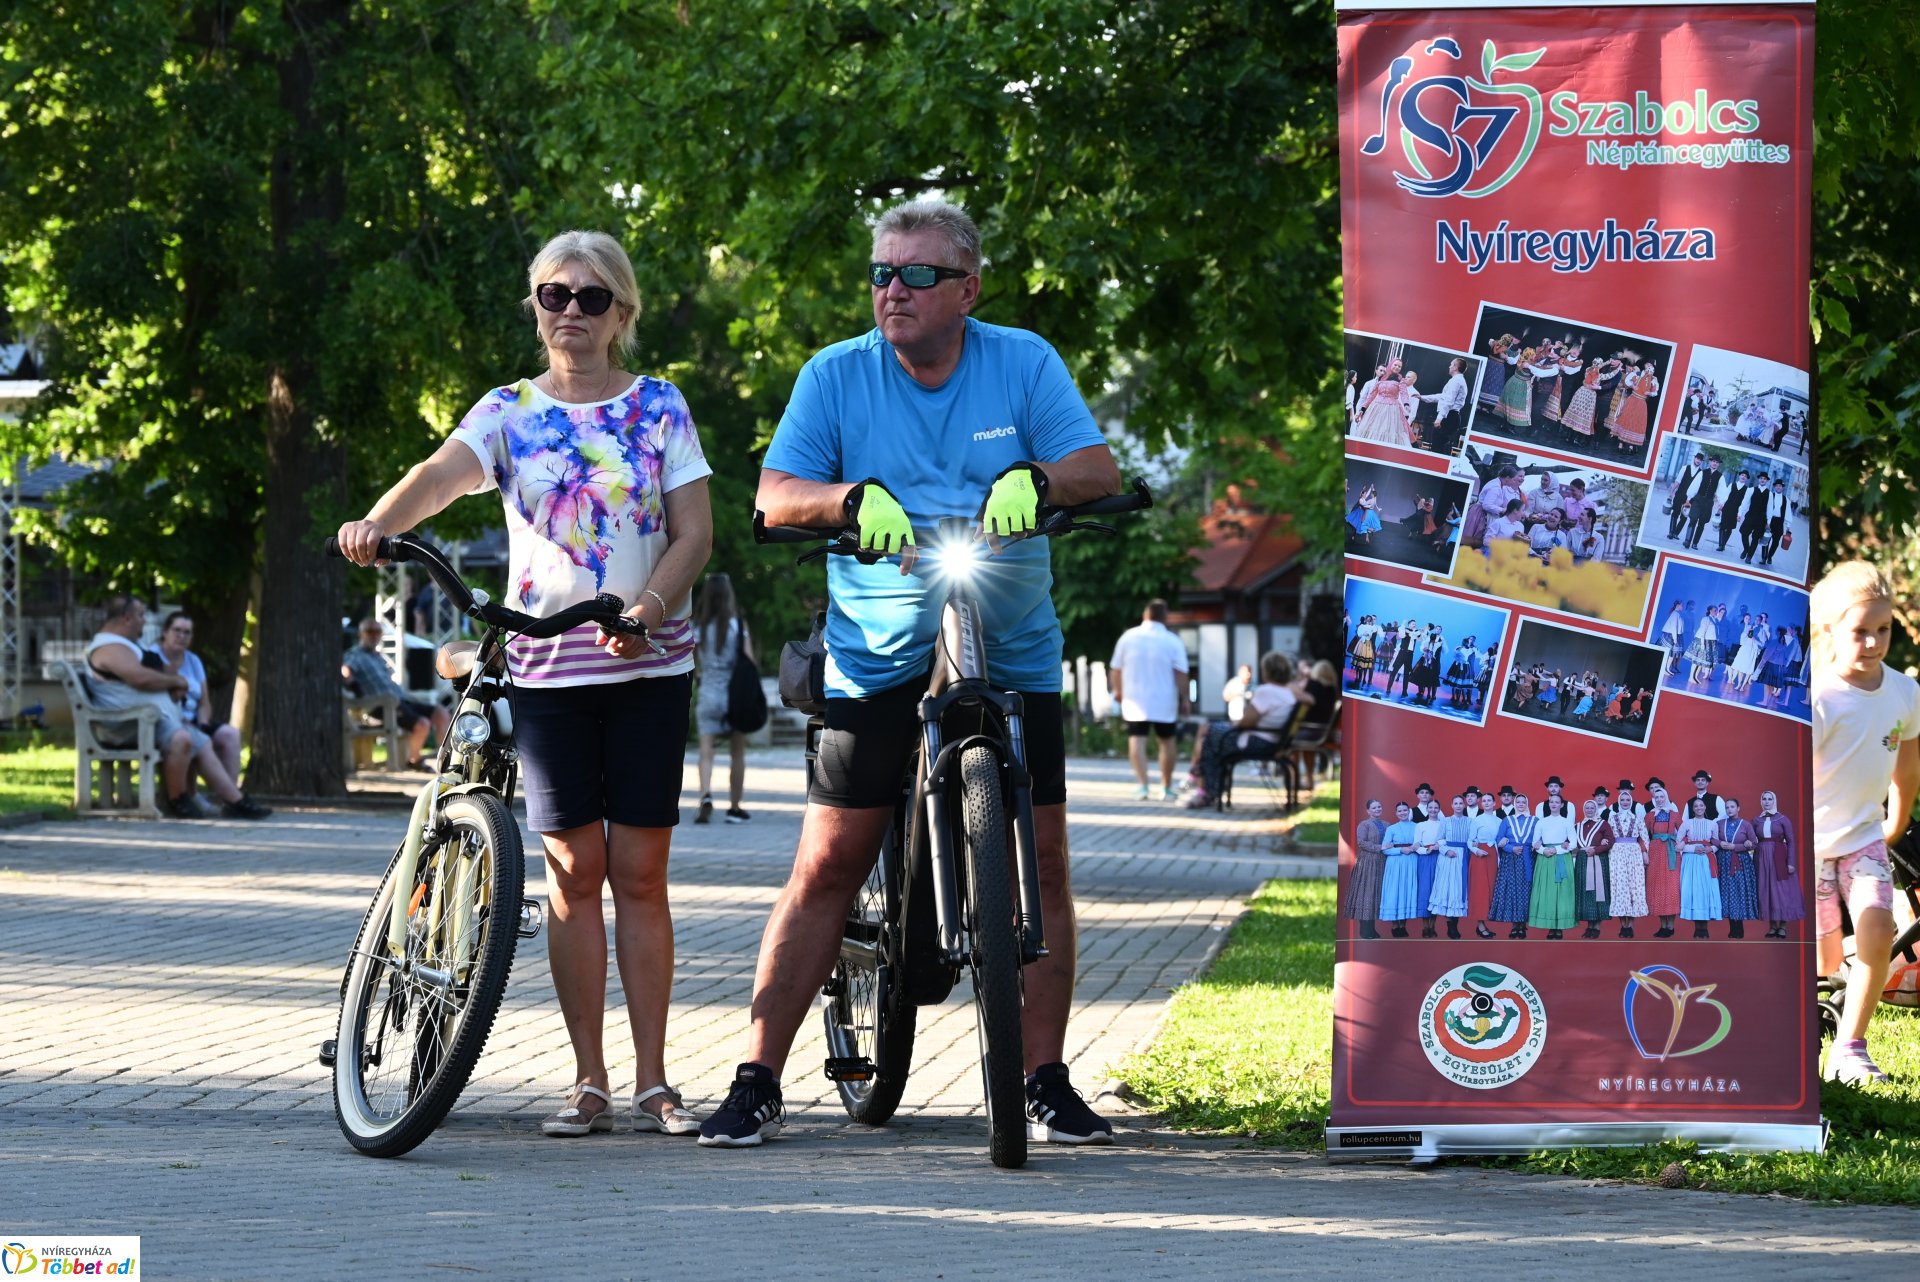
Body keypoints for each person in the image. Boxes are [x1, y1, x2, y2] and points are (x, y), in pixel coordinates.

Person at [702, 198, 1124, 1147]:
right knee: (828, 862)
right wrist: (848, 500)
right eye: (883, 273)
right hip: (876, 644)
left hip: (1009, 639)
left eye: (918, 274)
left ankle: (1045, 1076)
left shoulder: (1022, 362)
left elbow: (1097, 466)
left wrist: (1041, 481)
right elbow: (774, 495)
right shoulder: (836, 375)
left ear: (968, 289)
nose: (893, 290)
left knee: (1045, 861)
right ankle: (758, 1077)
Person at [335, 229, 713, 1139]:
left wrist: (650, 609)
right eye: (554, 294)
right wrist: (377, 522)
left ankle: (656, 1082)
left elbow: (693, 533)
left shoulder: (660, 406)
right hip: (548, 668)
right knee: (574, 873)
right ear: (535, 305)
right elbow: (438, 479)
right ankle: (590, 1082)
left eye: (590, 297)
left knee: (641, 874)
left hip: (649, 663)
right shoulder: (507, 411)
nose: (570, 312)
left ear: (622, 311)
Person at [1810, 561, 1920, 1084]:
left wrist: (1895, 821)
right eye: (1861, 631)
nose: (1874, 643)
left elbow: (1907, 762)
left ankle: (1851, 1047)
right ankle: (1799, 1029)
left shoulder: (1904, 692)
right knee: (1824, 957)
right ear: (1830, 630)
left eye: (1884, 630)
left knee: (1879, 930)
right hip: (1808, 845)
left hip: (1863, 840)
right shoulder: (1817, 697)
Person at [85, 594, 270, 821]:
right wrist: (176, 681)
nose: (144, 621)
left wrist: (171, 682)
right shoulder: (110, 647)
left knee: (201, 742)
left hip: (147, 720)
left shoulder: (125, 645)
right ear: (126, 618)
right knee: (182, 739)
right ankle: (178, 800)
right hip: (127, 724)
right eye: (141, 615)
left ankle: (236, 801)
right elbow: (140, 678)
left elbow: (153, 676)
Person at [152, 611, 244, 811]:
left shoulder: (193, 661)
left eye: (187, 633)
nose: (181, 636)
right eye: (177, 630)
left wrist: (202, 723)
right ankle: (194, 795)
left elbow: (205, 702)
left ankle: (229, 800)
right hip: (170, 721)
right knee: (193, 738)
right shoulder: (152, 657)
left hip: (195, 719)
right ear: (165, 632)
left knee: (231, 734)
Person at [1185, 652, 1299, 809]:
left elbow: (1247, 722)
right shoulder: (1288, 693)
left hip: (1258, 741)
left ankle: (1205, 789)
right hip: (1275, 740)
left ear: (1267, 671)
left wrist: (1235, 724)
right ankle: (1203, 781)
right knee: (1210, 733)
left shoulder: (1266, 691)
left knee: (1209, 736)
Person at [341, 619, 451, 772]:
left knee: (442, 713)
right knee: (422, 724)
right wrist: (354, 686)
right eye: (369, 631)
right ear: (360, 634)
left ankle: (446, 760)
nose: (373, 635)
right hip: (379, 706)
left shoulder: (377, 657)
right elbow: (345, 671)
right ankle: (414, 760)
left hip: (400, 701)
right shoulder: (355, 654)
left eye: (377, 632)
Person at [1111, 599, 1191, 801]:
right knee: (1167, 741)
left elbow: (1116, 669)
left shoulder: (1128, 637)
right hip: (1164, 700)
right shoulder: (1173, 640)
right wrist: (1185, 698)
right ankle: (1166, 787)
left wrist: (1118, 691)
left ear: (1145, 615)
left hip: (1135, 700)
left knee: (1137, 740)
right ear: (1165, 617)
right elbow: (1181, 673)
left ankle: (1143, 786)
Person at [691, 572, 753, 824]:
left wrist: (700, 676)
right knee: (737, 753)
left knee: (706, 751)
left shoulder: (697, 626)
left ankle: (705, 795)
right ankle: (734, 807)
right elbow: (749, 662)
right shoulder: (738, 626)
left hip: (708, 691)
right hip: (734, 695)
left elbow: (691, 660)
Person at [1755, 789, 1804, 939]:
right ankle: (1772, 926)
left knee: (1781, 891)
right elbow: (1751, 838)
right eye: (1764, 799)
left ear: (1774, 801)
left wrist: (1790, 862)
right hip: (1762, 858)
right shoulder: (1757, 820)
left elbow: (1790, 842)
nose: (1767, 802)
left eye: (1770, 799)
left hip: (1779, 857)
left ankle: (1782, 926)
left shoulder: (1783, 819)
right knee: (1767, 890)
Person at [1528, 795, 1578, 939]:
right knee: (1548, 892)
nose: (1554, 804)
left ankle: (1560, 926)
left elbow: (1573, 843)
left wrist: (1557, 850)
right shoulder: (1541, 822)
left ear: (1562, 805)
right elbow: (1535, 842)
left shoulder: (1567, 822)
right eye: (1551, 802)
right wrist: (1544, 850)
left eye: (1557, 802)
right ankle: (1550, 927)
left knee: (1561, 892)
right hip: (1545, 859)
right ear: (1548, 804)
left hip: (1561, 858)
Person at [1677, 796, 1725, 940]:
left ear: (1705, 808)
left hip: (1706, 860)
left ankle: (1705, 927)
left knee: (1705, 891)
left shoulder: (1713, 824)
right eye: (1696, 806)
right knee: (1693, 891)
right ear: (1693, 809)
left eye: (1701, 806)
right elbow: (1678, 843)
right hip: (1691, 860)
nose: (1698, 808)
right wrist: (1692, 849)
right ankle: (1697, 927)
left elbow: (1716, 842)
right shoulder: (1686, 823)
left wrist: (1710, 849)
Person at [1608, 781, 1651, 937]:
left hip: (1634, 853)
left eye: (1627, 800)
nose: (1625, 802)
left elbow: (1644, 838)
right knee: (1619, 886)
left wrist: (1645, 853)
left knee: (1634, 886)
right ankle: (1622, 925)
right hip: (1617, 853)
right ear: (1619, 801)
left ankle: (1630, 925)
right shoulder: (1612, 818)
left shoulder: (1638, 818)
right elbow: (1609, 837)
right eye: (1622, 800)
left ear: (1631, 801)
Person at [1715, 797, 1761, 940]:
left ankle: (1739, 928)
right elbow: (1712, 838)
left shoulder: (1746, 825)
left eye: (1732, 807)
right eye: (1727, 807)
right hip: (1723, 861)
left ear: (1738, 808)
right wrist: (1720, 843)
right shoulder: (1719, 823)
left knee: (1738, 891)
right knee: (1727, 892)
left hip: (1740, 862)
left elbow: (1754, 843)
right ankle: (1731, 927)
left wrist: (1737, 846)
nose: (1729, 810)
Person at [1378, 802, 1422, 937]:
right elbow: (1385, 849)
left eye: (1405, 810)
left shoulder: (1417, 827)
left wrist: (1416, 846)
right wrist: (1400, 850)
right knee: (1395, 891)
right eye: (1399, 811)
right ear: (1396, 813)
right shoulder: (1391, 829)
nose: (1403, 813)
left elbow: (1421, 842)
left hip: (1411, 862)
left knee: (1407, 891)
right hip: (1396, 863)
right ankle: (1395, 925)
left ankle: (1403, 925)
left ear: (1409, 811)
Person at [1346, 798, 1388, 940]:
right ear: (1368, 811)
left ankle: (1372, 928)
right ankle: (1365, 930)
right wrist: (1379, 847)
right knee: (1366, 893)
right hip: (1368, 862)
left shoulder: (1386, 824)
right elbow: (1361, 843)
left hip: (1382, 862)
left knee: (1376, 894)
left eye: (1379, 807)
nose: (1377, 809)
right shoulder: (1364, 824)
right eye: (1374, 808)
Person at [1576, 795, 1615, 939]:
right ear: (1584, 809)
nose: (1590, 810)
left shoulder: (1603, 824)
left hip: (1598, 859)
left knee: (1598, 891)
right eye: (1587, 808)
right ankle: (1589, 926)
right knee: (1586, 893)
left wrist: (1597, 849)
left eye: (1592, 808)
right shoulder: (1578, 825)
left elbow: (1610, 841)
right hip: (1582, 861)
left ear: (1596, 809)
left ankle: (1597, 927)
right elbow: (1573, 842)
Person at [1418, 357, 1470, 456]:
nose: (1449, 366)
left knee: (1438, 448)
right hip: (1450, 416)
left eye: (1451, 364)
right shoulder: (1456, 380)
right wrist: (1422, 397)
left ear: (1455, 367)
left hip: (1449, 416)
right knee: (1438, 446)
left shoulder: (1456, 381)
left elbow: (1448, 401)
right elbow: (1442, 397)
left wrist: (1439, 418)